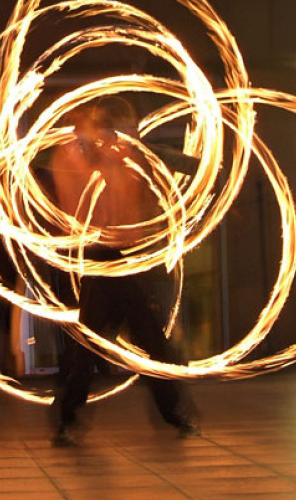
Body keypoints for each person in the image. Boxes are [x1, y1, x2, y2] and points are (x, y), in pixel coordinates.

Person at [47, 97, 199, 446]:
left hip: (130, 263)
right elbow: (71, 157)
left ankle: (174, 414)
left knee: (150, 344)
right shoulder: (88, 160)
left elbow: (177, 162)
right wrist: (86, 131)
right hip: (103, 262)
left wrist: (208, 169)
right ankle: (68, 419)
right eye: (124, 128)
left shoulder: (137, 157)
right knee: (91, 347)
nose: (130, 134)